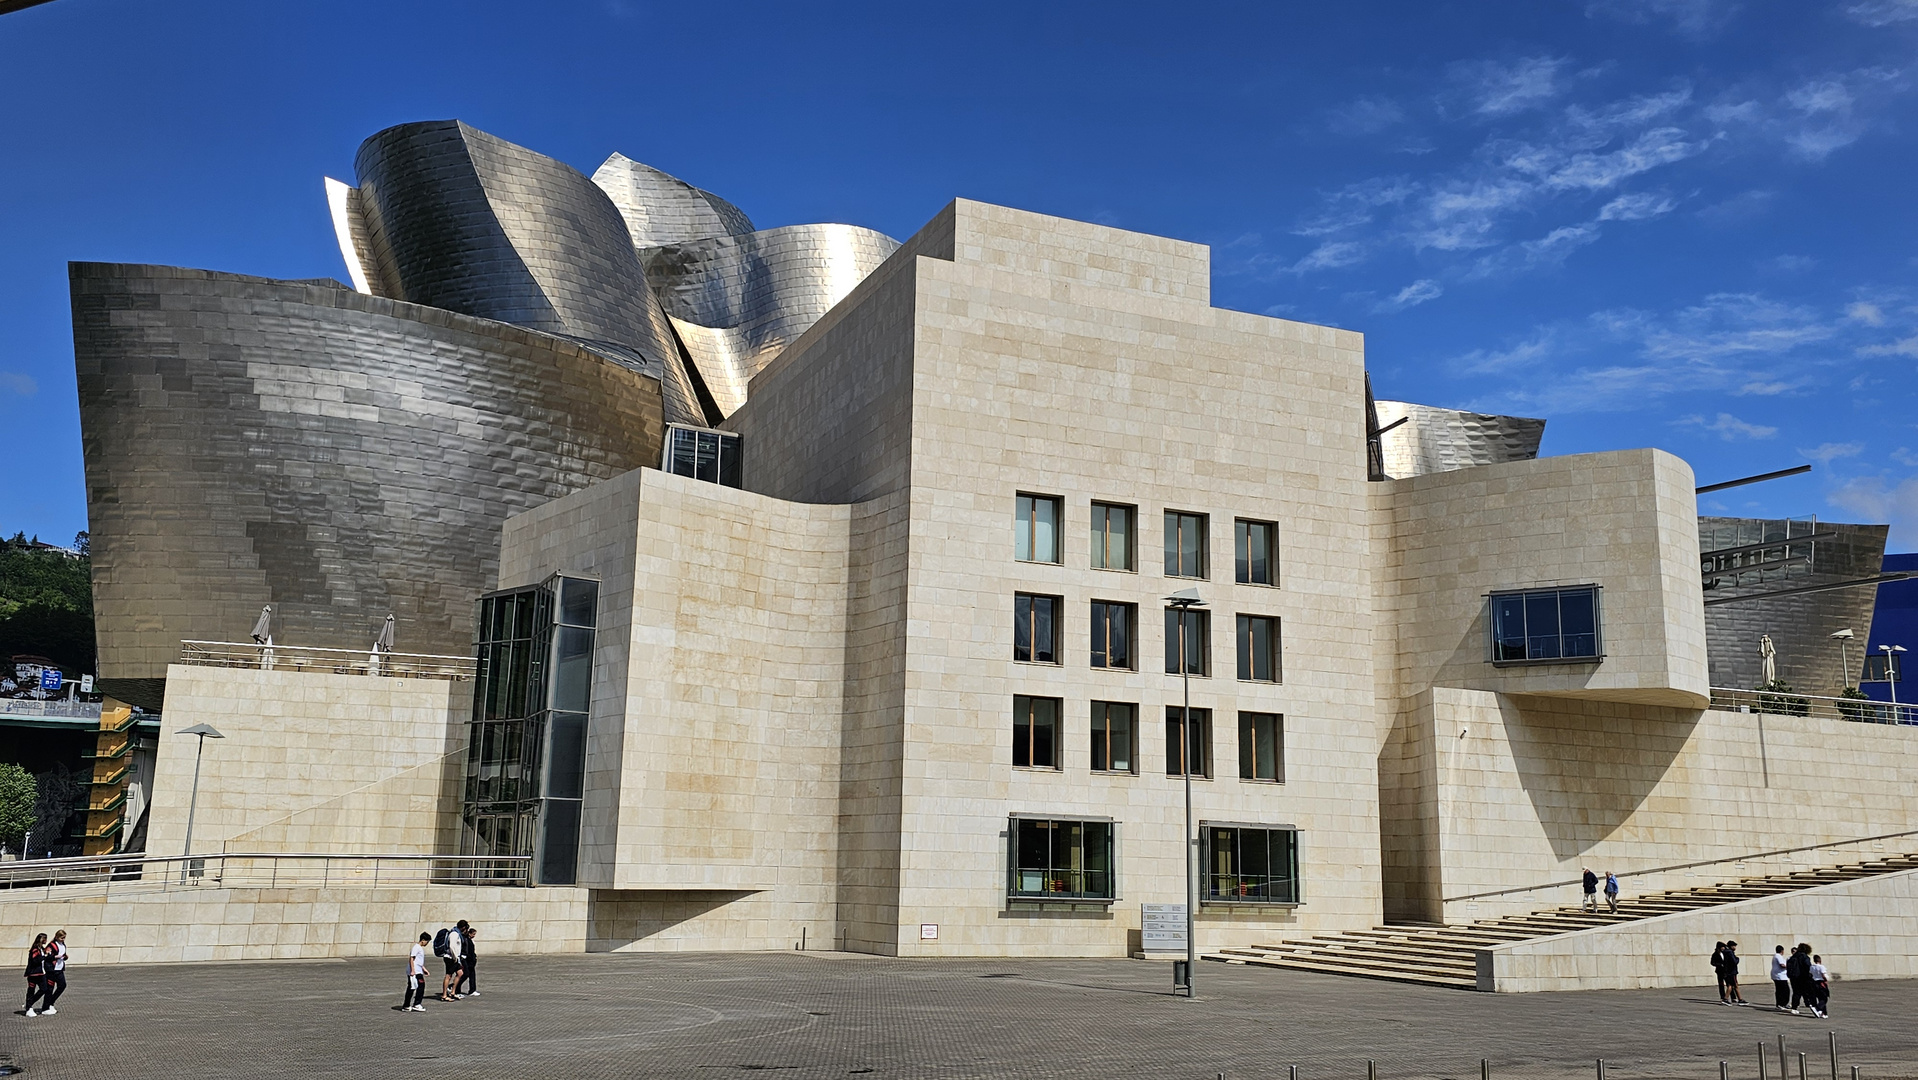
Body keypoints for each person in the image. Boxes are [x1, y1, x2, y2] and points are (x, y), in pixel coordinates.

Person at [1786, 943, 1818, 1016]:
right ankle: (1811, 1004)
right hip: (1802, 977)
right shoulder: (1804, 957)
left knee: (1796, 992)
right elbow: (1808, 967)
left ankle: (1794, 1008)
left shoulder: (1793, 956)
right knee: (1807, 991)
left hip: (1793, 977)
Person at [21, 933, 48, 1018]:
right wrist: (45, 956)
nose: (46, 941)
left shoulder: (41, 949)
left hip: (42, 973)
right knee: (31, 990)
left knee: (44, 989)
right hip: (34, 974)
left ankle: (29, 1003)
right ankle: (29, 1008)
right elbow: (35, 960)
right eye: (45, 939)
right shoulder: (35, 949)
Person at [40, 930, 67, 1014]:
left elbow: (63, 954)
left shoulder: (63, 945)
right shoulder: (51, 945)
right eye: (61, 938)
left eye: (64, 938)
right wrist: (55, 957)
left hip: (59, 969)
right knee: (49, 988)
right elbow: (47, 956)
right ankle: (45, 1007)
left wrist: (64, 957)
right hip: (51, 969)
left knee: (62, 985)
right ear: (57, 937)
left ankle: (51, 1002)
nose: (63, 939)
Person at [435, 923, 463, 1002]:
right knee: (448, 976)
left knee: (460, 973)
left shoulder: (457, 933)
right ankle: (444, 995)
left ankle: (453, 992)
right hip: (450, 958)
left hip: (455, 958)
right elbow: (451, 946)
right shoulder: (454, 934)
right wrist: (455, 957)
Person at [404, 933, 429, 1012]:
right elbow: (412, 958)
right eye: (427, 941)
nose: (427, 943)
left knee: (413, 987)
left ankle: (407, 1005)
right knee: (418, 987)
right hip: (415, 972)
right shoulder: (416, 947)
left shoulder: (419, 948)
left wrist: (423, 968)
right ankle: (416, 1004)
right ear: (423, 940)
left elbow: (418, 961)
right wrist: (413, 970)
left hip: (418, 970)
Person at [455, 924, 478, 998]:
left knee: (472, 975)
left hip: (471, 960)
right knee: (465, 974)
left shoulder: (469, 940)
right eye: (473, 934)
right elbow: (467, 951)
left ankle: (472, 990)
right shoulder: (465, 939)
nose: (474, 936)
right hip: (467, 960)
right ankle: (454, 987)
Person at [1722, 940, 1747, 1005]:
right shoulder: (1730, 952)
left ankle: (1738, 999)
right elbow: (1734, 961)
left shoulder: (1725, 952)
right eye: (1734, 946)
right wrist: (1737, 959)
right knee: (1733, 985)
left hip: (1728, 971)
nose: (1735, 948)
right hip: (1732, 972)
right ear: (1731, 946)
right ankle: (1727, 999)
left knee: (1732, 985)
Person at [1770, 944, 1792, 1011]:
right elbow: (1782, 965)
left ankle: (1781, 1004)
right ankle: (1781, 1004)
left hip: (1777, 975)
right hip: (1780, 976)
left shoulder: (1775, 956)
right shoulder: (1778, 956)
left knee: (1780, 990)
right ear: (1782, 951)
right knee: (1784, 990)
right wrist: (1789, 967)